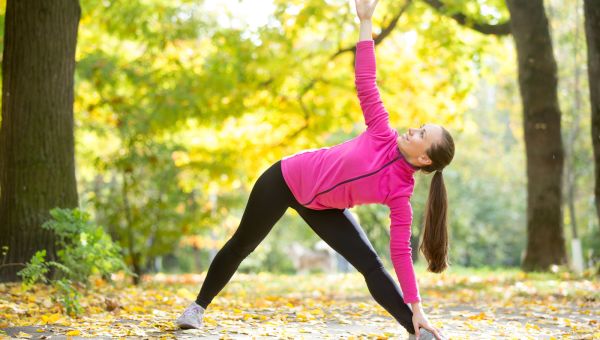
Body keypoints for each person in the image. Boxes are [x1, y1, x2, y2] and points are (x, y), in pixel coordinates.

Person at [175, 0, 453, 339]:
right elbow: (366, 80)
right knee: (241, 245)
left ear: (425, 159)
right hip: (286, 179)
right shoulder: (382, 130)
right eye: (420, 126)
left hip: (323, 207)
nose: (414, 129)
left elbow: (399, 255)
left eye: (422, 134)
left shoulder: (400, 194)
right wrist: (365, 22)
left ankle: (416, 330)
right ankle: (197, 308)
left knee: (371, 265)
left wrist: (418, 307)